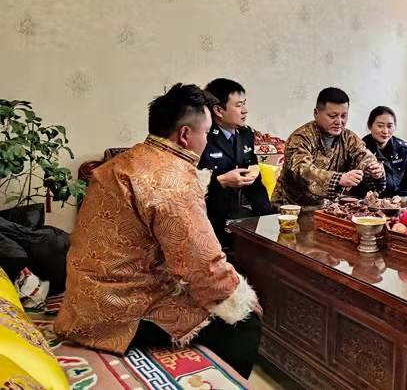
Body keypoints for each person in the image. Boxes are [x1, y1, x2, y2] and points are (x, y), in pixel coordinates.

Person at [55, 84, 261, 378]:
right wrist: (240, 295)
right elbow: (202, 264)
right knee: (244, 320)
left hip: (85, 298)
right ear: (185, 135)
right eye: (206, 132)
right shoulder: (172, 180)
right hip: (119, 310)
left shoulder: (126, 161)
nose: (208, 140)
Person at [272, 87, 386, 207]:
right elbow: (302, 171)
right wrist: (339, 179)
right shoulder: (300, 138)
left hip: (328, 207)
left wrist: (375, 169)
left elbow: (364, 156)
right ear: (316, 113)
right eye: (332, 116)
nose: (339, 121)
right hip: (292, 207)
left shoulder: (348, 137)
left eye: (343, 116)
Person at [198, 78, 272, 241]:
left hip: (239, 217)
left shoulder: (245, 134)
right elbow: (193, 187)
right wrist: (221, 182)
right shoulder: (202, 138)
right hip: (209, 220)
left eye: (244, 104)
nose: (245, 111)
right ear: (218, 110)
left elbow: (254, 182)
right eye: (238, 105)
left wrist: (267, 218)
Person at [351, 106, 407, 198]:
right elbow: (355, 187)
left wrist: (403, 200)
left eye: (389, 126)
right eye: (380, 126)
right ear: (370, 126)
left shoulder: (403, 148)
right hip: (368, 202)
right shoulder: (359, 149)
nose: (385, 131)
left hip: (397, 201)